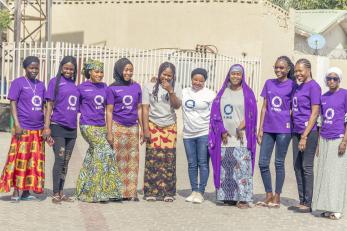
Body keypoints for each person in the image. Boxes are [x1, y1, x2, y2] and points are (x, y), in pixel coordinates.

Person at [208, 64, 257, 208]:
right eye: (233, 73)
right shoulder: (222, 93)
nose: (235, 76)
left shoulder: (248, 93)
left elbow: (253, 113)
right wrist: (222, 130)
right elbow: (215, 114)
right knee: (227, 167)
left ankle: (242, 198)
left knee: (242, 167)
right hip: (225, 138)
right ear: (229, 75)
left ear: (242, 76)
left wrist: (244, 124)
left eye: (238, 74)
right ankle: (229, 196)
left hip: (241, 137)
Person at [75, 59, 123, 202]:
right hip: (87, 125)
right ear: (89, 72)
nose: (100, 74)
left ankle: (84, 188)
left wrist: (109, 131)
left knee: (95, 155)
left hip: (101, 125)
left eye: (101, 72)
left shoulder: (105, 87)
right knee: (104, 151)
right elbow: (74, 106)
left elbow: (109, 110)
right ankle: (94, 193)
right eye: (96, 71)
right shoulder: (81, 87)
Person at [0, 56, 45, 201]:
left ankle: (26, 191)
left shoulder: (41, 85)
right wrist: (17, 125)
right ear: (25, 68)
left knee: (33, 161)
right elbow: (13, 103)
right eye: (31, 68)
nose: (34, 70)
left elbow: (45, 106)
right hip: (23, 128)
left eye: (36, 68)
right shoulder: (18, 83)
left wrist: (45, 126)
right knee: (19, 159)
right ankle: (16, 191)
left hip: (38, 129)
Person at [256, 56, 296, 208]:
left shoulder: (293, 85)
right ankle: (268, 194)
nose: (278, 70)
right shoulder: (269, 83)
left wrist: (287, 118)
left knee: (279, 163)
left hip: (284, 130)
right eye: (276, 67)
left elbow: (294, 106)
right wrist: (260, 129)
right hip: (268, 128)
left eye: (282, 68)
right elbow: (264, 106)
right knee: (262, 162)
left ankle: (277, 196)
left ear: (288, 69)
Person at [142, 62, 182, 202]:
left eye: (169, 75)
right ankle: (151, 191)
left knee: (168, 159)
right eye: (163, 74)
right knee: (152, 158)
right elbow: (145, 108)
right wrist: (145, 129)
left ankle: (168, 192)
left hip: (170, 125)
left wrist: (171, 91)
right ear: (159, 73)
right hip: (153, 124)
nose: (166, 77)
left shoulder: (176, 86)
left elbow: (177, 106)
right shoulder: (149, 86)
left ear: (173, 76)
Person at [43, 56, 80, 204]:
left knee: (66, 161)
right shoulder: (55, 82)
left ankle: (62, 191)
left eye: (71, 69)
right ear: (61, 68)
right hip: (57, 126)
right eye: (66, 68)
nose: (68, 71)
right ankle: (55, 193)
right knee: (59, 159)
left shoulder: (75, 86)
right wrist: (46, 127)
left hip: (72, 129)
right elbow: (49, 106)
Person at [312, 67, 347, 220]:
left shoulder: (345, 94)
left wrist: (344, 141)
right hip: (324, 138)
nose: (331, 81)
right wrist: (318, 145)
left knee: (336, 175)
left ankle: (337, 208)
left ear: (339, 80)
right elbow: (320, 121)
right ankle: (326, 206)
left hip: (338, 138)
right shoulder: (323, 96)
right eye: (329, 78)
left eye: (335, 79)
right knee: (324, 174)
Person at [106, 58, 142, 201]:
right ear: (119, 70)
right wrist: (109, 132)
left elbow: (139, 109)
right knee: (117, 159)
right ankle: (116, 191)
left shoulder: (136, 87)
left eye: (131, 70)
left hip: (133, 128)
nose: (128, 73)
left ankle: (130, 192)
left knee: (132, 160)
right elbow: (109, 111)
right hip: (117, 126)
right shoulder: (112, 88)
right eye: (126, 70)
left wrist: (144, 128)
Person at [291, 58, 321, 213]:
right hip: (296, 131)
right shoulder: (297, 86)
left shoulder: (314, 87)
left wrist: (304, 136)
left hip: (308, 133)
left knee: (306, 166)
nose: (298, 73)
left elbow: (315, 113)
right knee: (296, 166)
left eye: (300, 70)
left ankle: (308, 203)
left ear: (308, 70)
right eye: (296, 71)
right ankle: (301, 200)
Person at [182, 68, 215, 204]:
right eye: (195, 79)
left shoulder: (210, 94)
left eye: (201, 80)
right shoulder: (184, 92)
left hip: (203, 133)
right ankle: (194, 190)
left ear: (205, 81)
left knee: (203, 163)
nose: (198, 82)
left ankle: (201, 192)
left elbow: (214, 115)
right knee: (191, 163)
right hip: (188, 134)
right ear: (191, 79)